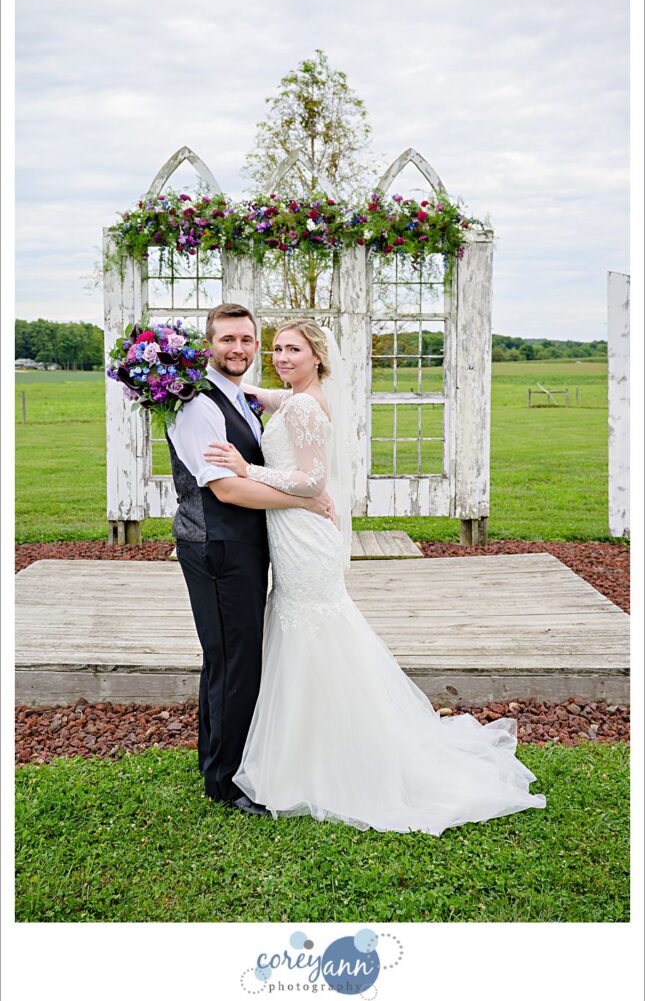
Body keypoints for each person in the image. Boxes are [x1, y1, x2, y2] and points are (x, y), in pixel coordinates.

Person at [203, 318, 547, 836]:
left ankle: (325, 754)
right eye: (275, 349)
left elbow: (312, 479)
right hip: (295, 531)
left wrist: (246, 469)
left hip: (302, 530)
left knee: (313, 629)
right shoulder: (298, 398)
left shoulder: (303, 405)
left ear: (318, 356)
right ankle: (313, 743)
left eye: (293, 350)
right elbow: (274, 399)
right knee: (302, 628)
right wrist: (235, 386)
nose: (281, 358)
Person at [166, 304, 334, 816]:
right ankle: (224, 781)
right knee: (234, 661)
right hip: (216, 545)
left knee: (231, 657)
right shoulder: (198, 404)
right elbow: (228, 489)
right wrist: (305, 500)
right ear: (209, 345)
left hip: (242, 546)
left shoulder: (240, 398)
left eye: (246, 340)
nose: (238, 349)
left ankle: (220, 761)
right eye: (227, 340)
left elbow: (297, 404)